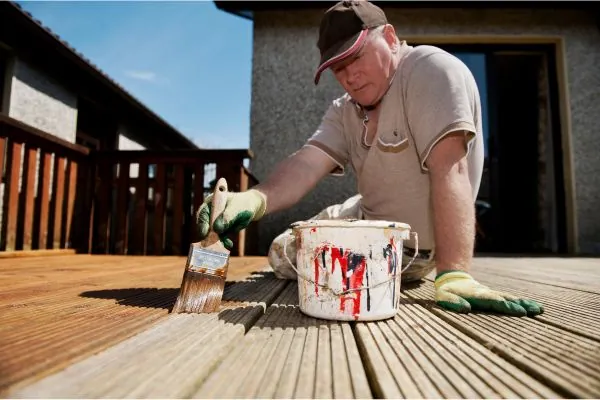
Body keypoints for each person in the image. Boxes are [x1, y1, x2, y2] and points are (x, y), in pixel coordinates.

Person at [197, 0, 544, 317]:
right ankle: (346, 213)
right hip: (365, 219)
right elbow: (305, 164)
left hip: (410, 249)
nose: (349, 75)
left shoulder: (431, 70)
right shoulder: (344, 110)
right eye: (338, 67)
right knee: (281, 251)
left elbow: (451, 170)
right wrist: (254, 200)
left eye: (356, 56)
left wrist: (454, 273)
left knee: (302, 258)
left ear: (390, 38)